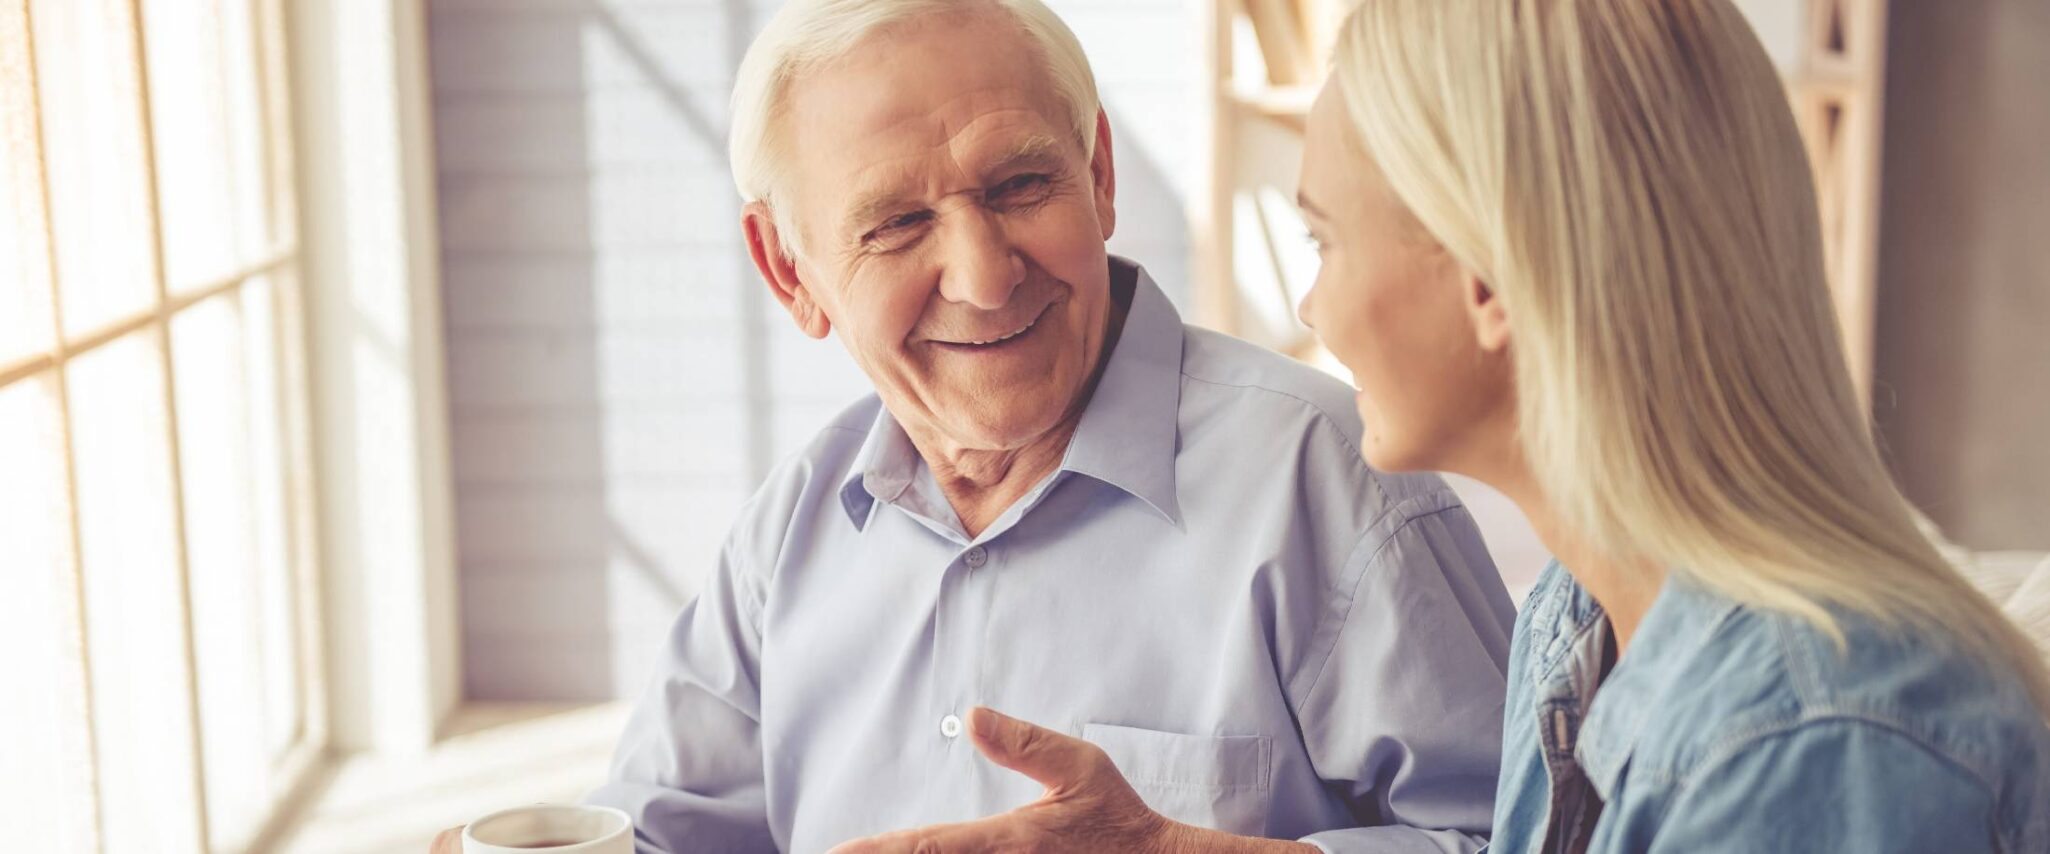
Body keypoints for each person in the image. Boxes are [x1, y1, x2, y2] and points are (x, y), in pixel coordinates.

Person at [833, 0, 2050, 852]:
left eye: (1324, 239)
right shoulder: (1582, 624)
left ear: (1484, 275)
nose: (1311, 304)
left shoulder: (1816, 735)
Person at [435, 1, 1517, 852]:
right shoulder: (794, 528)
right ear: (789, 271)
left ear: (1097, 177)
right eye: (898, 221)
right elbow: (666, 827)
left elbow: (1531, 835)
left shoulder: (1330, 474)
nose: (985, 277)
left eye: (1019, 183)